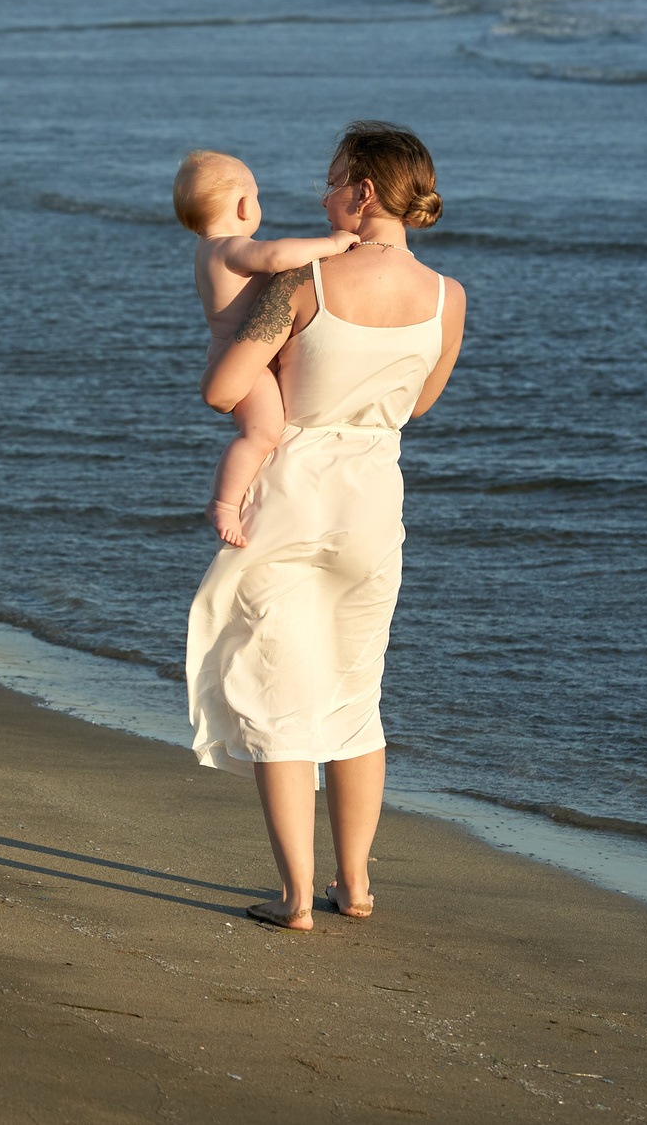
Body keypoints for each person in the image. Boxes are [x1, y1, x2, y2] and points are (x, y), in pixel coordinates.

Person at [185, 122, 467, 932]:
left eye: (335, 178)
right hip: (374, 504)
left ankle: (296, 897)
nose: (322, 195)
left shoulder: (303, 277)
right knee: (355, 696)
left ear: (364, 192)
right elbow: (418, 403)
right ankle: (358, 882)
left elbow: (225, 388)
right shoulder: (447, 297)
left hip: (292, 498)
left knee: (278, 697)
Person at [171, 150, 361, 548]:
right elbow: (275, 256)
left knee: (268, 430)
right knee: (262, 432)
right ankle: (223, 503)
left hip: (239, 354)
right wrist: (331, 243)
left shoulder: (208, 249)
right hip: (243, 364)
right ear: (244, 206)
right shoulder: (229, 248)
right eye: (257, 197)